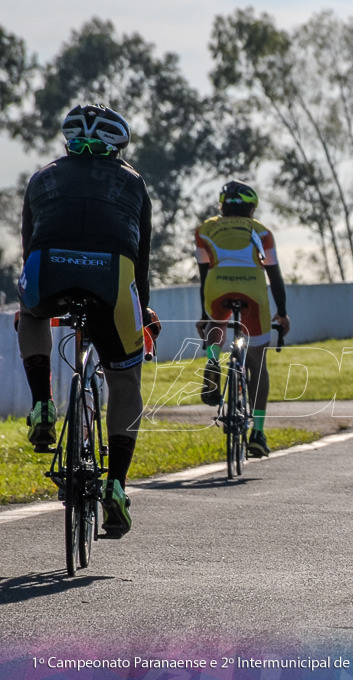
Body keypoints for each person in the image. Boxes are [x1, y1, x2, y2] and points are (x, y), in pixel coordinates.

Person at [17, 104, 159, 538]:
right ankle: (116, 483)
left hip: (48, 266)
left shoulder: (42, 177)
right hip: (112, 276)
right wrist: (144, 312)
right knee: (125, 380)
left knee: (32, 313)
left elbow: (28, 246)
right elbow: (140, 262)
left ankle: (42, 402)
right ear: (118, 146)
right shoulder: (133, 181)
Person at [194, 181, 290, 458]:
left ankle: (213, 361)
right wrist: (281, 313)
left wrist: (204, 315)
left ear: (222, 207)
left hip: (217, 287)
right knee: (258, 364)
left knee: (216, 324)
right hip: (253, 291)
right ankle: (257, 433)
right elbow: (274, 275)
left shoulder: (206, 229)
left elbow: (204, 274)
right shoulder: (262, 231)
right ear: (251, 208)